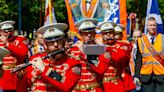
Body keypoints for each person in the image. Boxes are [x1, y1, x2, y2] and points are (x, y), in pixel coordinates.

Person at [19, 23, 81, 92]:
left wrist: (44, 69)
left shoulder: (73, 63)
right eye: (51, 42)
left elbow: (67, 86)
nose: (56, 45)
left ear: (64, 42)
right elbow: (24, 87)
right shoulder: (36, 58)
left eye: (59, 41)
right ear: (45, 45)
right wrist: (20, 76)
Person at [90, 21, 135, 92]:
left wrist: (104, 47)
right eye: (105, 33)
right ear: (102, 35)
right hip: (100, 86)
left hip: (116, 85)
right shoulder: (97, 46)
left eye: (110, 32)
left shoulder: (122, 45)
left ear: (114, 33)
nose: (108, 35)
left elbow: (120, 57)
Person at [68, 18, 103, 92]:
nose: (89, 35)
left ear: (95, 33)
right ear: (80, 34)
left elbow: (99, 68)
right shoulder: (72, 49)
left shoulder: (100, 47)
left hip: (95, 88)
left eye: (91, 32)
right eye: (85, 33)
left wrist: (84, 49)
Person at [134, 17, 164, 92]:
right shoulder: (140, 41)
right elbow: (138, 60)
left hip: (161, 75)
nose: (152, 27)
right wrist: (136, 76)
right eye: (150, 25)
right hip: (146, 75)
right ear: (147, 26)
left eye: (154, 25)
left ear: (156, 26)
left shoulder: (163, 38)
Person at [0, 20, 28, 91]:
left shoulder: (21, 39)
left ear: (13, 31)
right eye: (5, 31)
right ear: (1, 32)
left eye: (10, 30)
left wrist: (8, 44)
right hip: (2, 75)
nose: (8, 33)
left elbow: (23, 53)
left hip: (16, 74)